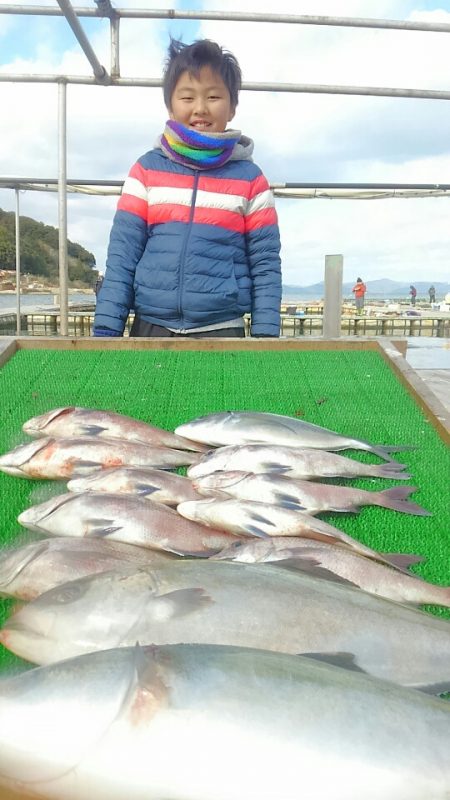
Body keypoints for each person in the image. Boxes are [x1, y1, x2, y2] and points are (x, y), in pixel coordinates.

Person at [93, 38, 282, 339]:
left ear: (232, 107)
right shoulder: (145, 171)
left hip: (224, 330)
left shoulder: (252, 180)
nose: (200, 109)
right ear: (170, 105)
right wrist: (105, 329)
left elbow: (265, 265)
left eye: (213, 96)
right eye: (187, 97)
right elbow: (122, 256)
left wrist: (266, 336)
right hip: (150, 328)